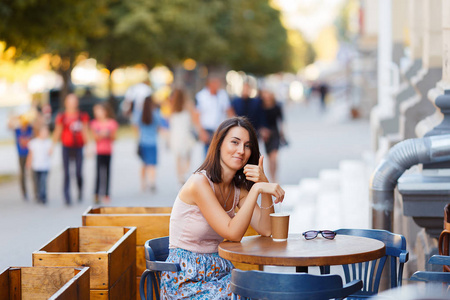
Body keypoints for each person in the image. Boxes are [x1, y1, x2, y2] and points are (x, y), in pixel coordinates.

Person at [160, 117, 285, 299]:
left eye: (247, 145)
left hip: (219, 274)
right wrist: (257, 189)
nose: (241, 151)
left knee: (264, 288)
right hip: (184, 279)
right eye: (235, 142)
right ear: (219, 144)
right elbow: (232, 232)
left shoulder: (237, 190)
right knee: (244, 295)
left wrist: (263, 184)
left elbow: (266, 229)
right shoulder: (199, 183)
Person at [52, 94, 90, 205]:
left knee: (78, 172)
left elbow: (85, 131)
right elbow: (57, 131)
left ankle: (80, 189)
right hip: (66, 147)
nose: (72, 103)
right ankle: (67, 196)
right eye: (70, 101)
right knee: (67, 172)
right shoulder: (62, 116)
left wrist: (88, 147)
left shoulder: (82, 116)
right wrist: (52, 146)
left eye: (74, 101)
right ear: (66, 103)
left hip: (78, 147)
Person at [194, 76, 234, 155]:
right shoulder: (201, 96)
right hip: (207, 129)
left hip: (220, 128)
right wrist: (201, 131)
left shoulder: (222, 95)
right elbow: (196, 115)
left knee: (220, 154)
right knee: (208, 155)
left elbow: (229, 111)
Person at [90, 102, 119, 204]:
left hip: (108, 151)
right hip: (99, 152)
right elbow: (95, 137)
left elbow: (114, 137)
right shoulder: (94, 123)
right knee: (98, 173)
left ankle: (106, 193)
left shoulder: (112, 123)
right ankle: (97, 193)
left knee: (107, 173)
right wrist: (103, 134)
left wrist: (107, 134)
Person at [168, 89, 196, 185]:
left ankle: (180, 177)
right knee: (188, 155)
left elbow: (170, 121)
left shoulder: (172, 106)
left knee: (178, 158)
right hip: (186, 133)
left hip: (176, 134)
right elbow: (193, 120)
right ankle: (186, 173)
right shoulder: (189, 105)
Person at [261, 89, 286, 183]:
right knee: (269, 157)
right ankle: (271, 176)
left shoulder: (277, 106)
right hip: (266, 134)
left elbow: (281, 120)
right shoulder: (261, 107)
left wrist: (282, 132)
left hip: (275, 133)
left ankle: (274, 177)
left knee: (274, 156)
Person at [137, 95, 161, 192]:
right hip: (153, 142)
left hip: (143, 141)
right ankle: (152, 182)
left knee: (144, 163)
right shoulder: (155, 113)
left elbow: (137, 126)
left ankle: (143, 184)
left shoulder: (140, 114)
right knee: (152, 164)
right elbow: (158, 126)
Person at [8, 114, 34, 201]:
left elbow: (38, 124)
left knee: (33, 173)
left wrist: (30, 118)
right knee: (22, 174)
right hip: (21, 154)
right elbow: (9, 126)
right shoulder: (18, 130)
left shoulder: (30, 128)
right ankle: (24, 193)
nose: (24, 124)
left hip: (31, 153)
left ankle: (36, 192)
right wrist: (14, 117)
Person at [26, 125, 52, 204]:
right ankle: (37, 195)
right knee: (36, 182)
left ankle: (43, 196)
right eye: (44, 132)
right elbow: (31, 154)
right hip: (36, 166)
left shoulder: (48, 142)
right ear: (39, 133)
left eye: (46, 132)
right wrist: (28, 162)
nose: (45, 133)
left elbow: (50, 153)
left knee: (43, 182)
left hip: (45, 166)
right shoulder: (33, 142)